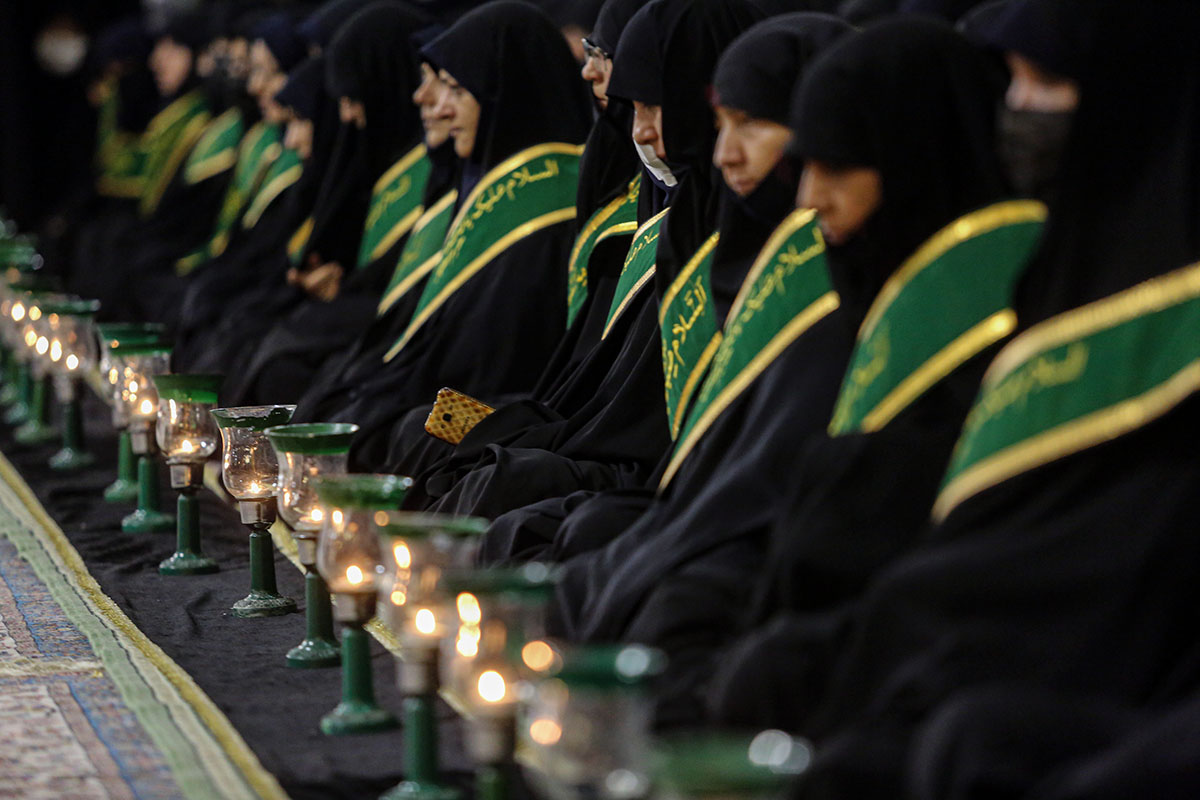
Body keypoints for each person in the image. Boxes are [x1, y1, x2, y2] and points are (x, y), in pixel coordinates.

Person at [709, 3, 1200, 796]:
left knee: (964, 744)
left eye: (1045, 82)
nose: (1018, 109)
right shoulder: (1075, 256)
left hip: (1105, 672)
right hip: (984, 623)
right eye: (1013, 81)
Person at [409, 0, 765, 528]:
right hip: (624, 457)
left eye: (605, 55)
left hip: (679, 488)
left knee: (511, 499)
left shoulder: (717, 224)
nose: (638, 130)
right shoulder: (672, 205)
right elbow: (601, 387)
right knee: (449, 447)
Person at [295, 0, 593, 460]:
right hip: (449, 398)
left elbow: (502, 373)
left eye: (454, 88)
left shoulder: (550, 212)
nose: (430, 102)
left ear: (501, 95)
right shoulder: (487, 187)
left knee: (398, 427)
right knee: (345, 401)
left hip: (511, 417)